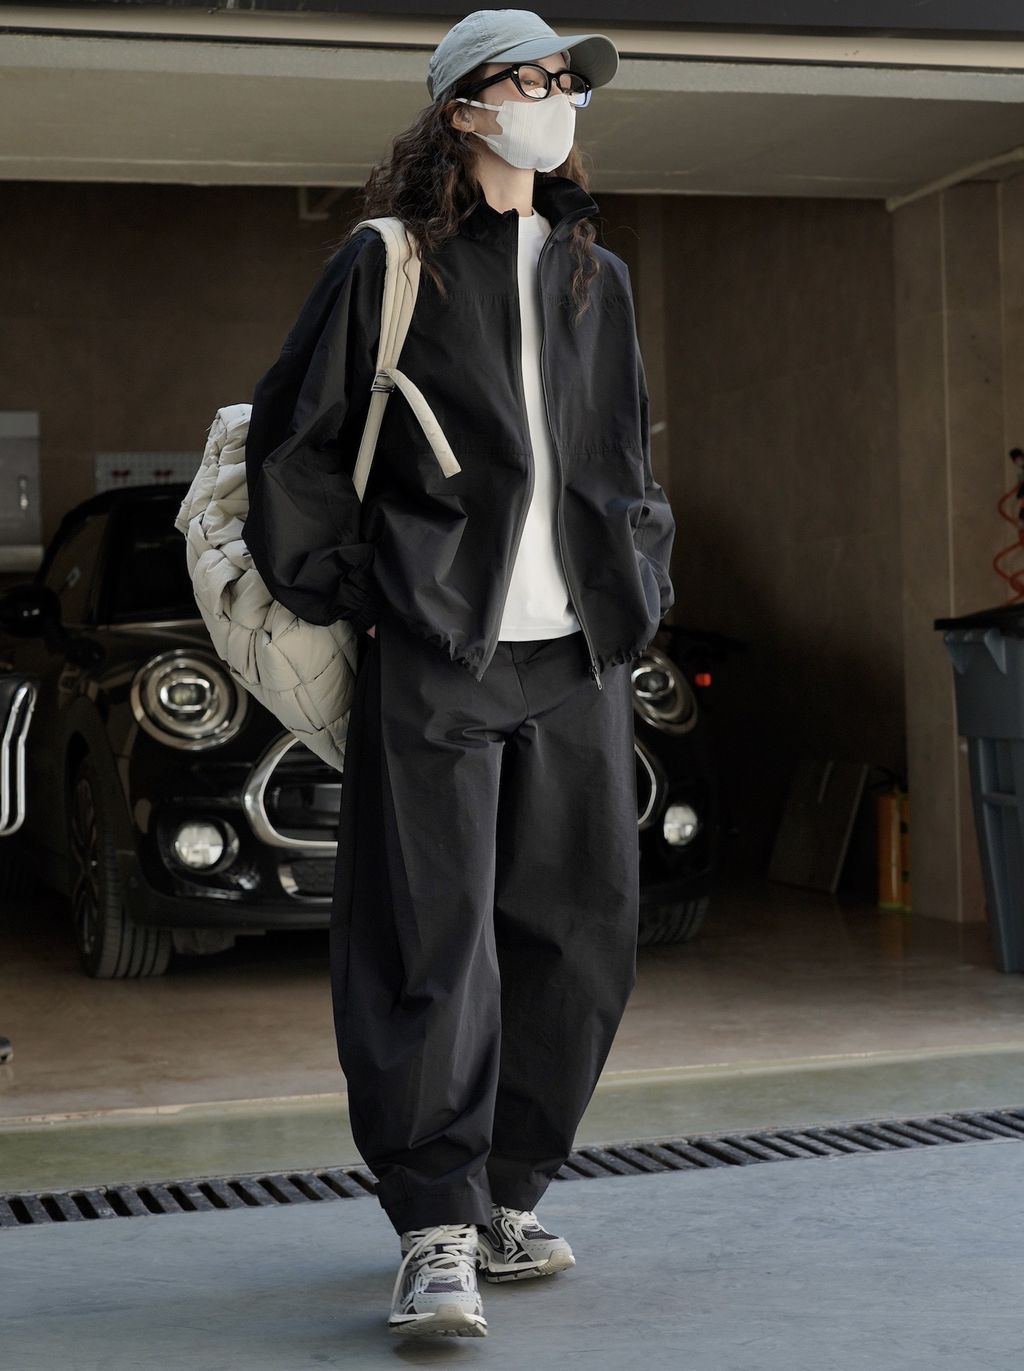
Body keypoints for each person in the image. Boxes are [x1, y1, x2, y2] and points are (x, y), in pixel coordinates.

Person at [242, 8, 676, 1341]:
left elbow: (627, 459)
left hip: (577, 657)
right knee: (429, 941)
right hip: (441, 653)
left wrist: (640, 584)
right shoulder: (389, 261)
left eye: (568, 83)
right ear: (462, 109)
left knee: (582, 935)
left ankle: (504, 1193)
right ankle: (431, 1221)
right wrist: (372, 593)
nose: (556, 99)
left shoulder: (597, 277)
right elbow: (296, 446)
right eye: (529, 79)